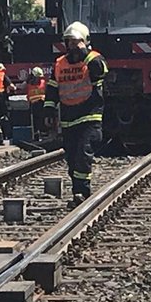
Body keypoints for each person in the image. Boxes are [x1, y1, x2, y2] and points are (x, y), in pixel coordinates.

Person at [44, 22, 108, 204]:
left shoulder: (93, 60)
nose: (73, 46)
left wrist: (85, 54)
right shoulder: (60, 64)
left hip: (89, 117)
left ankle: (82, 192)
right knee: (72, 158)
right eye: (69, 42)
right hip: (68, 119)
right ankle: (78, 189)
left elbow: (102, 71)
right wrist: (48, 109)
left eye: (76, 42)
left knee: (83, 153)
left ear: (85, 42)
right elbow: (53, 87)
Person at [0, 62, 15, 141]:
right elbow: (12, 87)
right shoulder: (2, 75)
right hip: (2, 98)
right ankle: (7, 134)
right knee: (5, 116)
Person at [25, 66, 47, 138]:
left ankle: (43, 132)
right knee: (35, 120)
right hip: (33, 105)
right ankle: (36, 133)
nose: (38, 79)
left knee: (42, 118)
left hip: (42, 103)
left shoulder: (44, 83)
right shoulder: (29, 84)